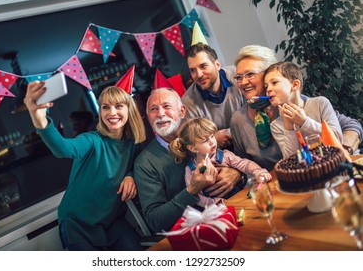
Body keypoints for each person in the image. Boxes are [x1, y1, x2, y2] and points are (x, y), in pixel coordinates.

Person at [23, 83, 146, 251]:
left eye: (118, 106)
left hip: (112, 223)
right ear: (100, 112)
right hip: (77, 225)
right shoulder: (92, 140)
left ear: (128, 110)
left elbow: (139, 164)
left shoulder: (133, 142)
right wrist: (38, 117)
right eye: (105, 107)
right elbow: (62, 149)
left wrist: (130, 174)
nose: (112, 112)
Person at [230, 45, 362, 171]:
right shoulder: (239, 120)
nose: (243, 82)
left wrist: (342, 151)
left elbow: (350, 126)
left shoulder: (298, 101)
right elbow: (242, 164)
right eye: (239, 77)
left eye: (250, 74)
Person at [134, 88, 243, 233]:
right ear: (149, 118)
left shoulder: (207, 137)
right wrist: (192, 190)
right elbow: (155, 221)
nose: (160, 114)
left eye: (167, 106)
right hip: (196, 232)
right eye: (153, 109)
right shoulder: (145, 163)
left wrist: (238, 174)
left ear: (182, 112)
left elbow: (242, 163)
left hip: (235, 209)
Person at [169, 117, 271, 208]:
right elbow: (197, 197)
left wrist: (259, 171)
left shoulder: (224, 155)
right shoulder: (191, 170)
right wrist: (216, 203)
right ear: (193, 148)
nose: (212, 142)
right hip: (220, 210)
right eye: (205, 140)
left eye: (212, 136)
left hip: (241, 200)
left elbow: (245, 164)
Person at [264, 61, 342, 157]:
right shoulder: (276, 126)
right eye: (266, 86)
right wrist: (289, 127)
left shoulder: (320, 103)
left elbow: (337, 139)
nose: (268, 89)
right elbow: (291, 159)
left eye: (274, 82)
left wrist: (304, 122)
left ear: (295, 85)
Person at [182, 43, 244, 149]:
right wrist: (213, 138)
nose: (199, 74)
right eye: (193, 70)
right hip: (222, 156)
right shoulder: (188, 103)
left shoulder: (238, 76)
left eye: (203, 66)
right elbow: (194, 142)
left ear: (217, 65)